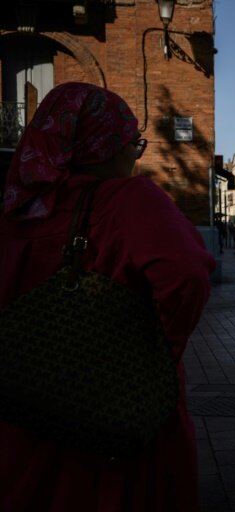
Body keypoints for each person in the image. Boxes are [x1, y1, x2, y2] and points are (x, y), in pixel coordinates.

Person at [0, 82, 215, 511]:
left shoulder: (18, 208)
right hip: (112, 414)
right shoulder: (126, 199)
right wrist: (160, 349)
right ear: (104, 146)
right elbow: (188, 275)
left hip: (23, 407)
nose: (133, 157)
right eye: (132, 143)